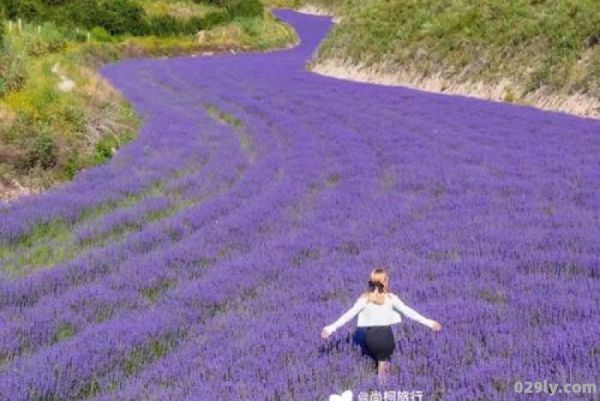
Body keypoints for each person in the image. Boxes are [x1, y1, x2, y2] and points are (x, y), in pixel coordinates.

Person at [320, 267, 442, 384]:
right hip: (385, 337)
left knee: (377, 362)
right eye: (387, 280)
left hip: (370, 338)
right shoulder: (391, 298)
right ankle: (382, 390)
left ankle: (377, 387)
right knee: (383, 367)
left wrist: (330, 328)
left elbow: (348, 315)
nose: (388, 282)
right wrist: (430, 323)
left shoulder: (365, 299)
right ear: (382, 282)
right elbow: (409, 312)